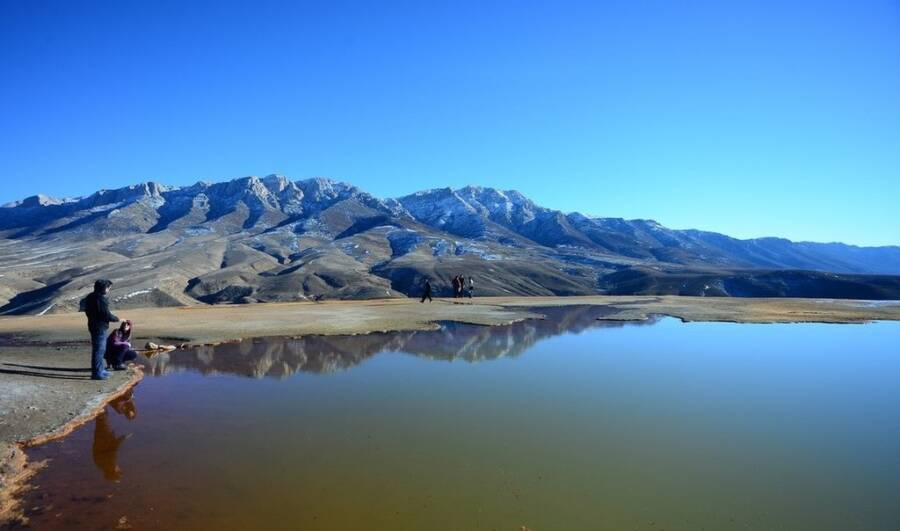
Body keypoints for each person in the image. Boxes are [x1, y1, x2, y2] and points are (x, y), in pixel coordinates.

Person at [81, 279, 121, 380]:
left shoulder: (90, 297)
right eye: (108, 288)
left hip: (93, 325)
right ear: (103, 288)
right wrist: (117, 319)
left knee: (100, 349)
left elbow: (88, 311)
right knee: (99, 350)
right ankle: (97, 373)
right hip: (100, 327)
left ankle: (101, 370)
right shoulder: (100, 299)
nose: (108, 290)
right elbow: (106, 315)